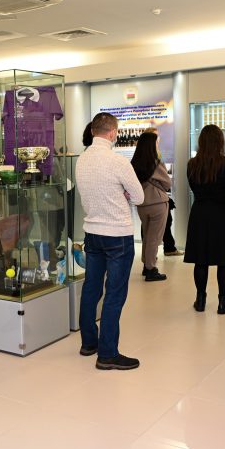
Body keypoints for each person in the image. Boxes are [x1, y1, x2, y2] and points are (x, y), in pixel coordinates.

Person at [76, 112, 144, 370]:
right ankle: (107, 354)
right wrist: (123, 193)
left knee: (91, 289)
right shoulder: (118, 162)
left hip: (92, 232)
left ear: (93, 131)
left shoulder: (82, 160)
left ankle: (88, 343)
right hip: (117, 235)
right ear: (113, 133)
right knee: (114, 293)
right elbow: (138, 197)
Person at [184, 124, 225, 315]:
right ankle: (223, 302)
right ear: (220, 141)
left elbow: (194, 188)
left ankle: (200, 300)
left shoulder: (192, 164)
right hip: (224, 216)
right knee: (224, 261)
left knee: (200, 260)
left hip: (200, 215)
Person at [131, 131, 169, 282]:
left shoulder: (134, 163)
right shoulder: (156, 162)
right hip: (157, 203)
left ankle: (146, 265)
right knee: (154, 238)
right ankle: (151, 268)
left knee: (147, 236)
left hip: (142, 204)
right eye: (157, 142)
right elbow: (167, 183)